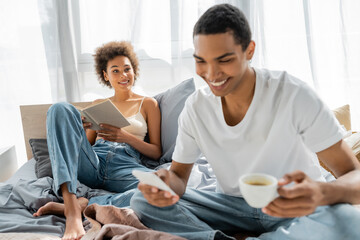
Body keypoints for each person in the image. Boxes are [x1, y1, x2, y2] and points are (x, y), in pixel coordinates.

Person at [130, 4, 360, 240]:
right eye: (201, 61)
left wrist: (323, 192)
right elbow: (179, 178)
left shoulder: (293, 94)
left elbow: (354, 174)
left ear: (249, 50)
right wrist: (165, 185)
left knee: (351, 221)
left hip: (293, 207)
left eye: (224, 60)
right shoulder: (197, 107)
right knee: (140, 200)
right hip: (232, 207)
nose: (211, 73)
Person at [33, 41, 162, 240]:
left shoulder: (148, 104)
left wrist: (124, 136)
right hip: (94, 161)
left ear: (134, 71)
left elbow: (156, 152)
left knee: (160, 188)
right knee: (60, 108)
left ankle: (87, 202)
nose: (123, 75)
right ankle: (71, 209)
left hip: (125, 164)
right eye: (116, 71)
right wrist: (79, 129)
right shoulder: (98, 105)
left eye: (127, 69)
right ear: (106, 76)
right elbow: (85, 146)